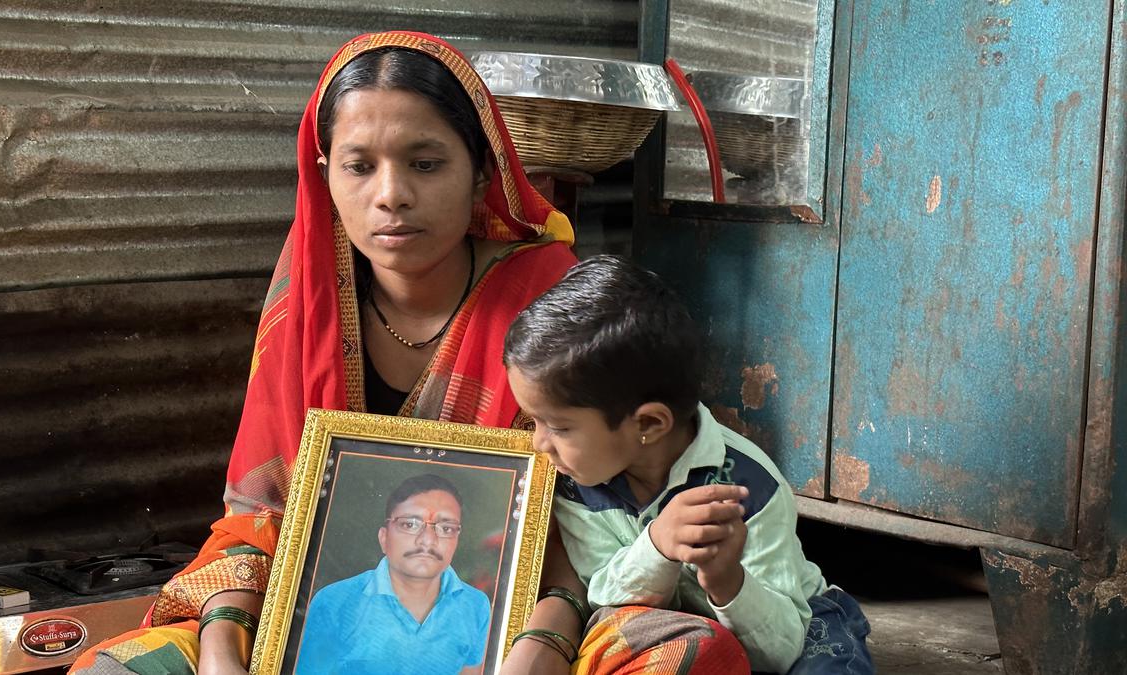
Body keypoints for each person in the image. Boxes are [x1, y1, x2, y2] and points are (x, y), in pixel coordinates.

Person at [70, 30, 576, 674]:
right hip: (306, 629)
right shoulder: (308, 298)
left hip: (512, 623)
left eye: (425, 163)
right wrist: (225, 638)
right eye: (359, 166)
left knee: (676, 652)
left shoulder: (549, 296)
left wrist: (544, 644)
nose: (390, 195)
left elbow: (590, 521)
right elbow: (260, 515)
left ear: (481, 173)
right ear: (325, 175)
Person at [502, 255, 874, 675]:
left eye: (559, 427)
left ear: (648, 423)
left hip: (793, 622)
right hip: (674, 629)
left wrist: (726, 580)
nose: (538, 443)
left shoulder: (751, 488)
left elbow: (782, 645)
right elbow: (603, 596)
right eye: (535, 421)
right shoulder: (576, 482)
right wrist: (658, 545)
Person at [296, 474, 490, 674]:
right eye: (410, 524)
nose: (427, 541)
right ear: (384, 537)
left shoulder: (475, 605)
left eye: (446, 528)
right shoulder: (335, 602)